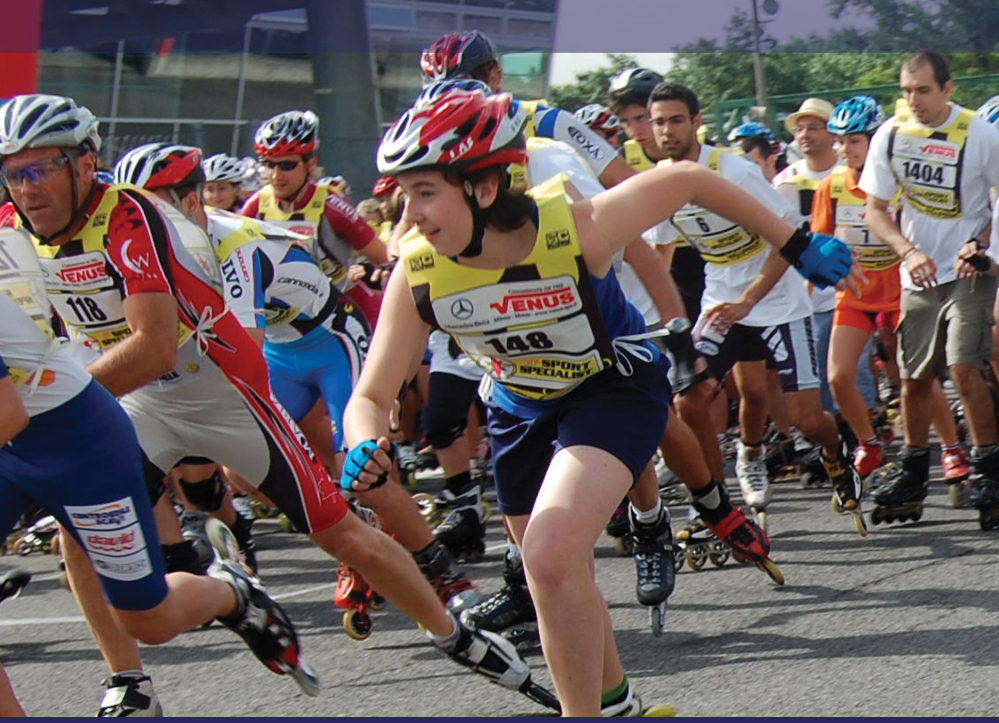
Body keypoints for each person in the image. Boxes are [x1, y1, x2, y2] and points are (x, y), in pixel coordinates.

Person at [0, 92, 548, 713]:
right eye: (13, 174)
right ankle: (131, 679)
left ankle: (452, 632)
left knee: (342, 531)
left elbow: (153, 347)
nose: (26, 189)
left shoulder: (128, 214)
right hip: (137, 401)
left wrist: (57, 404)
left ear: (84, 164)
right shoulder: (13, 226)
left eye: (41, 169)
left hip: (220, 392)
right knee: (77, 529)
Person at [345, 89, 854, 716]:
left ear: (483, 187)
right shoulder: (418, 272)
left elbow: (687, 179)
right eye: (403, 195)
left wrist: (796, 243)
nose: (410, 215)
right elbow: (371, 394)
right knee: (556, 578)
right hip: (520, 410)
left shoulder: (571, 228)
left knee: (549, 554)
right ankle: (616, 705)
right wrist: (362, 443)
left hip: (610, 389)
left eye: (425, 192)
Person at [112, 141, 484, 610]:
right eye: (129, 210)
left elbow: (239, 351)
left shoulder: (231, 245)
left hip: (331, 341)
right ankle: (358, 533)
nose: (135, 223)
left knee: (362, 472)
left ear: (189, 202)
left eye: (148, 209)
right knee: (239, 475)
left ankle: (446, 578)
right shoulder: (161, 241)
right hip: (281, 349)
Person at [0, 228, 318, 710]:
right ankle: (128, 682)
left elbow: (9, 413)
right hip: (16, 444)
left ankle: (230, 593)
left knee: (150, 620)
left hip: (75, 439)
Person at [646, 81, 865, 534]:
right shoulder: (659, 183)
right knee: (690, 399)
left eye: (677, 120)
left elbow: (790, 241)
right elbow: (658, 257)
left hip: (778, 302)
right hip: (720, 304)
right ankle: (713, 505)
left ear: (697, 122)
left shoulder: (734, 171)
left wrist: (749, 300)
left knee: (806, 419)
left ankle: (835, 452)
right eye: (659, 122)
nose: (667, 131)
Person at [859, 52, 999, 528]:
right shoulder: (891, 135)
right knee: (914, 379)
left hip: (968, 271)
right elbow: (875, 209)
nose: (913, 100)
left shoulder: (979, 133)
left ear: (946, 89)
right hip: (918, 274)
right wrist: (907, 251)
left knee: (963, 369)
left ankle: (989, 469)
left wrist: (983, 245)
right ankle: (913, 472)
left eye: (923, 90)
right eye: (906, 91)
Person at [814, 96, 968, 493]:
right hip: (856, 295)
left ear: (874, 139)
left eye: (853, 141)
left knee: (918, 377)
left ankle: (952, 448)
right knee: (838, 377)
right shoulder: (832, 186)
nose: (844, 149)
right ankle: (869, 443)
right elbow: (820, 238)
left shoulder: (898, 182)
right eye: (839, 141)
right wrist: (823, 271)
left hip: (901, 292)